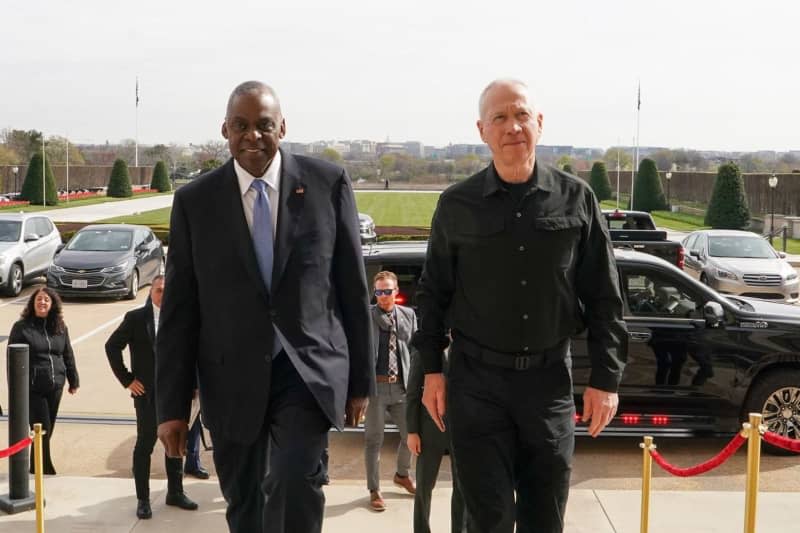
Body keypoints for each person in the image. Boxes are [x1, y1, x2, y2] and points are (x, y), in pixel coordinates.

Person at [156, 80, 373, 533]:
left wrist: (360, 383)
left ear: (283, 128)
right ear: (224, 130)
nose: (252, 136)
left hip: (306, 370)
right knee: (245, 504)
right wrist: (171, 408)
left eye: (263, 125)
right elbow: (179, 310)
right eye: (241, 126)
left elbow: (352, 287)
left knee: (297, 481)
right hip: (230, 376)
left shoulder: (326, 184)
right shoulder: (195, 202)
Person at [412, 79, 627, 533]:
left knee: (545, 518)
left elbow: (605, 296)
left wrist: (606, 379)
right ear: (482, 130)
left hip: (548, 386)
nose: (513, 126)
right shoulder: (457, 205)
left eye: (522, 115)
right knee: (486, 519)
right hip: (476, 386)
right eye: (499, 118)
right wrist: (431, 370)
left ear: (540, 123)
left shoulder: (578, 199)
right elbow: (433, 294)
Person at [105, 275, 198, 519]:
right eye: (158, 290)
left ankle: (175, 492)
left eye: (167, 290)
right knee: (145, 445)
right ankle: (143, 499)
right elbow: (112, 346)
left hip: (176, 393)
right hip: (148, 396)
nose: (163, 294)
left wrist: (194, 385)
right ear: (151, 293)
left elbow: (193, 353)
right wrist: (128, 380)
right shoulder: (136, 319)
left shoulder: (181, 318)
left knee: (175, 443)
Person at [9, 287, 79, 475]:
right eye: (39, 299)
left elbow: (67, 354)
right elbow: (12, 360)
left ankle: (36, 466)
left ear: (52, 304)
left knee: (48, 429)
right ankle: (43, 468)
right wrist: (15, 390)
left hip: (56, 385)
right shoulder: (22, 328)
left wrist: (73, 379)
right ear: (33, 303)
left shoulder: (60, 327)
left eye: (46, 300)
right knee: (42, 428)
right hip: (33, 388)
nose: (42, 303)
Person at [364, 270, 417, 511]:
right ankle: (374, 490)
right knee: (373, 440)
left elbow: (414, 350)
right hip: (375, 388)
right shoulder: (366, 316)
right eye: (379, 292)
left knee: (412, 436)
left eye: (388, 291)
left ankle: (402, 475)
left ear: (396, 291)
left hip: (401, 386)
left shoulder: (408, 315)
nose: (383, 296)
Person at [406, 348, 466, 533]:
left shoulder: (467, 345)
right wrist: (412, 432)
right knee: (424, 487)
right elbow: (413, 392)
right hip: (429, 430)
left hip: (461, 429)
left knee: (462, 488)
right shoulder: (424, 348)